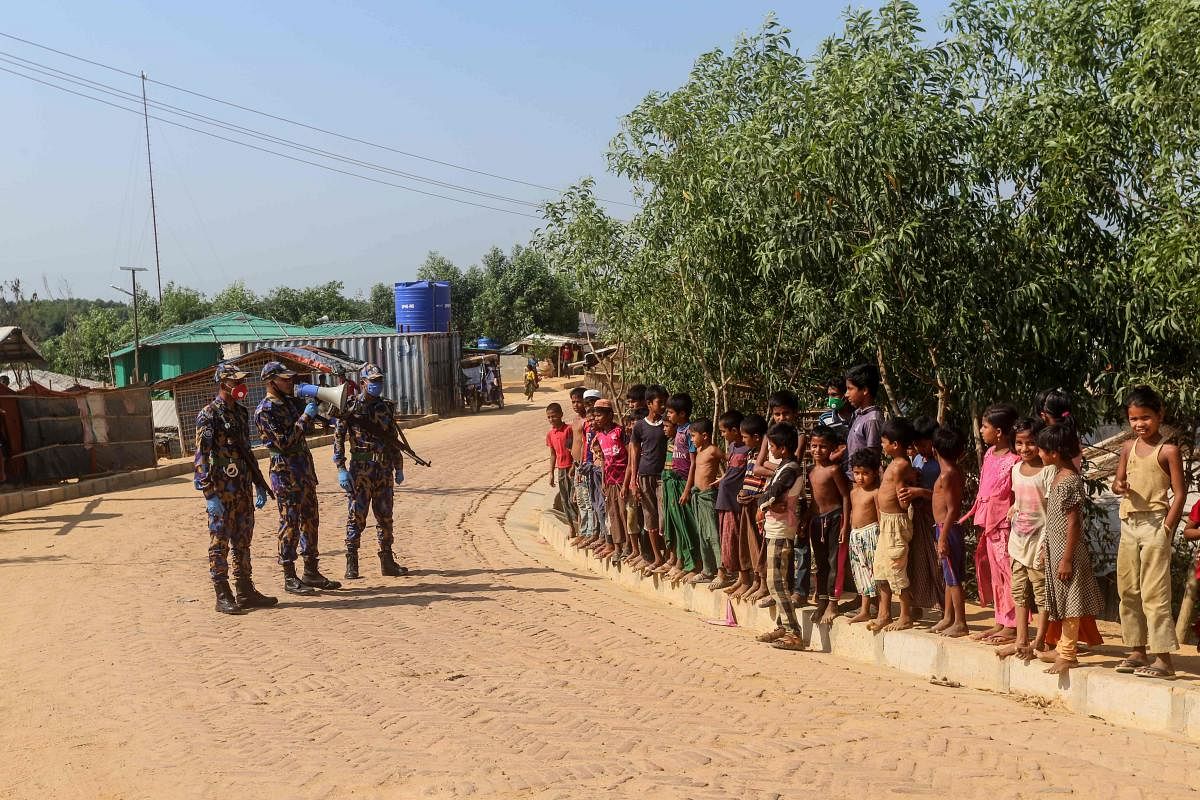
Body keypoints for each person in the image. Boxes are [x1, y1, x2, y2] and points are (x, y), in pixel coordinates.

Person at [1112, 385, 1186, 679]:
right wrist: (1121, 487)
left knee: (1155, 593)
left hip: (1155, 524)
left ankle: (1163, 659)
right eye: (1134, 419)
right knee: (1128, 590)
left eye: (1146, 417)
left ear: (1159, 415)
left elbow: (1179, 494)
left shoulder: (1168, 450)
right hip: (1129, 523)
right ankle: (1136, 650)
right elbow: (1118, 481)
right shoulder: (1128, 447)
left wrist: (1167, 527)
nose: (1140, 424)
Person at [193, 362, 276, 614]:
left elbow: (246, 452)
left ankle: (245, 589)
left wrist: (257, 483)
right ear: (223, 384)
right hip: (220, 487)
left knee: (243, 539)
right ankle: (222, 592)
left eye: (242, 381)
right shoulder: (209, 415)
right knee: (220, 541)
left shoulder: (240, 412)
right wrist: (208, 493)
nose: (241, 386)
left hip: (241, 486)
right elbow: (200, 458)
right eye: (236, 381)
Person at [255, 361, 341, 594]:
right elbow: (282, 442)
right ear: (271, 382)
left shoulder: (290, 403)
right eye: (284, 379)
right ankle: (289, 575)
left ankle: (311, 571)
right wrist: (304, 417)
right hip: (285, 474)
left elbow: (308, 430)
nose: (289, 382)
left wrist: (317, 409)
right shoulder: (265, 410)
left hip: (303, 471)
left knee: (311, 521)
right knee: (290, 524)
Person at [1036, 420, 1104, 675]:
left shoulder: (1070, 481)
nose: (1039, 454)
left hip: (1068, 551)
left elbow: (1074, 523)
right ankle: (1063, 645)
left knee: (1071, 601)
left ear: (1054, 453)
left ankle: (1068, 653)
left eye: (1042, 450)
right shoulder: (1057, 477)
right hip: (1055, 549)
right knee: (1061, 600)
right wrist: (1047, 548)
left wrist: (1066, 558)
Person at [332, 363, 407, 580]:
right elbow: (338, 438)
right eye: (372, 381)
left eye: (379, 380)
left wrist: (398, 466)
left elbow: (393, 439)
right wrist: (341, 467)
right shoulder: (349, 406)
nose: (377, 384)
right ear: (363, 382)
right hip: (361, 470)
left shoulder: (386, 407)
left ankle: (387, 561)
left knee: (385, 516)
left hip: (383, 469)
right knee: (357, 515)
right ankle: (352, 561)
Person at [996, 418, 1055, 660]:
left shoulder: (1048, 471)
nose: (1024, 448)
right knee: (1019, 591)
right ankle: (1021, 639)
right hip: (1018, 541)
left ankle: (1040, 640)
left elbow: (1052, 510)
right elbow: (1019, 501)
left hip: (1039, 542)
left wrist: (1047, 544)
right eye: (1019, 443)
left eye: (1030, 443)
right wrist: (1013, 510)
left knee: (1041, 593)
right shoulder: (1015, 469)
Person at [963, 404, 1021, 645]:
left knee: (1008, 572)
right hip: (986, 521)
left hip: (1003, 523)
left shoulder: (1015, 460)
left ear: (998, 431)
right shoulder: (988, 454)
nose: (982, 431)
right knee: (994, 572)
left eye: (985, 427)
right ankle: (1000, 620)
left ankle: (1014, 624)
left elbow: (1014, 495)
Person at [754, 423, 806, 651]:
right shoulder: (785, 467)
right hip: (777, 527)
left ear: (783, 448)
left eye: (773, 446)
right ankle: (781, 626)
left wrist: (762, 505)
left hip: (782, 530)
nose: (770, 450)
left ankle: (794, 632)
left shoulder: (789, 469)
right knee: (779, 580)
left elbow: (771, 495)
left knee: (776, 583)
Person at [751, 390, 803, 607]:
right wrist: (779, 471)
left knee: (788, 549)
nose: (781, 418)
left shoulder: (797, 437)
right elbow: (756, 467)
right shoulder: (769, 437)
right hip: (771, 496)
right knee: (770, 547)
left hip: (786, 497)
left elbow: (793, 465)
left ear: (795, 414)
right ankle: (769, 588)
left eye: (786, 414)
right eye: (777, 414)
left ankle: (789, 591)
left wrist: (778, 472)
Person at [871, 418, 916, 632]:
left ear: (895, 444)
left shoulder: (900, 465)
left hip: (896, 523)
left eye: (884, 442)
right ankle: (884, 613)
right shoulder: (894, 463)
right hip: (886, 523)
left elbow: (902, 497)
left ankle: (905, 615)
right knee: (881, 569)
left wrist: (907, 501)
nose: (882, 445)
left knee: (896, 569)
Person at [898, 415, 945, 616]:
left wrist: (921, 493)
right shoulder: (916, 459)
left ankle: (945, 607)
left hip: (934, 518)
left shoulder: (941, 463)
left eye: (923, 444)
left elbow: (944, 495)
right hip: (917, 516)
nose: (919, 448)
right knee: (917, 562)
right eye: (916, 444)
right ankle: (917, 603)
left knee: (938, 563)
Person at [807, 425, 852, 625]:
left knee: (835, 562)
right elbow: (813, 500)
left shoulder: (834, 470)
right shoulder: (811, 471)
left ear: (832, 448)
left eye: (823, 447)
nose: (817, 451)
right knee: (821, 562)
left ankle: (834, 603)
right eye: (814, 446)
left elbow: (845, 496)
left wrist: (845, 524)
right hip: (816, 521)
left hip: (834, 518)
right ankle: (823, 600)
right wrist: (806, 519)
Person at [929, 427, 969, 636]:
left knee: (953, 577)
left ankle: (960, 622)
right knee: (948, 575)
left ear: (935, 449)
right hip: (944, 528)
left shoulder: (948, 474)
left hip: (948, 528)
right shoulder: (951, 472)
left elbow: (953, 508)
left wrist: (943, 538)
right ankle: (948, 617)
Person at [628, 385, 669, 571]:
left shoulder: (668, 425)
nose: (662, 406)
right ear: (649, 404)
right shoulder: (639, 426)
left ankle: (670, 555)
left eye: (664, 402)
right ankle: (657, 556)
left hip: (663, 477)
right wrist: (633, 481)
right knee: (649, 518)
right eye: (659, 402)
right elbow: (634, 453)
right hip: (644, 476)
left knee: (664, 517)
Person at [663, 393, 701, 582]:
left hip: (684, 484)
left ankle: (693, 564)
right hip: (673, 482)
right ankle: (681, 561)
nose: (668, 416)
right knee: (676, 526)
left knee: (688, 527)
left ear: (682, 413)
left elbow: (693, 462)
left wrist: (687, 489)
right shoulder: (677, 431)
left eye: (670, 412)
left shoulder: (689, 432)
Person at [730, 414, 768, 600]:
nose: (743, 440)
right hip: (747, 502)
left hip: (758, 505)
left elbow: (767, 482)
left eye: (745, 437)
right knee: (748, 544)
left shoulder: (768, 455)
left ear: (757, 437)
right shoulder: (752, 453)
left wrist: (755, 497)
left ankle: (763, 583)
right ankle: (754, 580)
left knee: (760, 546)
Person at [591, 399, 629, 562]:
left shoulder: (620, 432)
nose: (597, 419)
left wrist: (628, 481)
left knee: (624, 513)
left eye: (600, 415)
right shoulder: (599, 435)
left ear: (609, 415)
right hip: (610, 480)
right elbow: (605, 459)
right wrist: (605, 481)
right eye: (595, 416)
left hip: (623, 479)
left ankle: (629, 546)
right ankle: (617, 545)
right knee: (612, 514)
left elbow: (629, 455)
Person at [846, 449, 881, 624]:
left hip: (871, 535)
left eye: (865, 473)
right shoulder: (854, 492)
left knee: (875, 573)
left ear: (875, 473)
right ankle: (865, 609)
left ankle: (882, 610)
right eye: (857, 473)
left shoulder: (876, 493)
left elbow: (880, 517)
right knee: (860, 573)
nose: (860, 478)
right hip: (856, 536)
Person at [714, 410, 748, 592]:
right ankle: (739, 578)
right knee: (727, 540)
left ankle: (745, 578)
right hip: (724, 501)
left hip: (736, 503)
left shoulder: (748, 449)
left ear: (735, 430)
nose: (722, 435)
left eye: (723, 431)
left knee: (737, 541)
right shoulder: (732, 448)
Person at [689, 418, 725, 586]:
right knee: (702, 535)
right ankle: (707, 570)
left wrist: (723, 478)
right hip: (698, 497)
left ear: (704, 436)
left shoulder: (713, 450)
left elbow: (732, 463)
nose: (691, 439)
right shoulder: (699, 451)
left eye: (693, 436)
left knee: (713, 534)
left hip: (708, 496)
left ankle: (721, 572)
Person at [843, 363, 883, 479]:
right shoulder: (858, 415)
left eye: (850, 389)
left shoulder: (872, 419)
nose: (846, 394)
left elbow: (872, 457)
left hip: (863, 483)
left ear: (865, 390)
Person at [568, 387, 595, 546]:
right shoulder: (576, 420)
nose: (576, 405)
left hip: (585, 465)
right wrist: (574, 465)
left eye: (579, 402)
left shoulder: (587, 422)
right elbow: (575, 444)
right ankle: (583, 531)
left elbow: (586, 444)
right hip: (577, 464)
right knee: (580, 501)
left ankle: (589, 532)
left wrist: (583, 465)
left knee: (588, 500)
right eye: (573, 402)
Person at [545, 402, 575, 535]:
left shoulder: (568, 429)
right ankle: (571, 526)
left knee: (574, 497)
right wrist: (551, 473)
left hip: (571, 468)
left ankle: (580, 522)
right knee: (564, 499)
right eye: (549, 417)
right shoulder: (550, 434)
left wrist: (574, 467)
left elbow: (574, 449)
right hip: (561, 470)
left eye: (554, 416)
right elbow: (553, 454)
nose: (552, 419)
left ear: (561, 415)